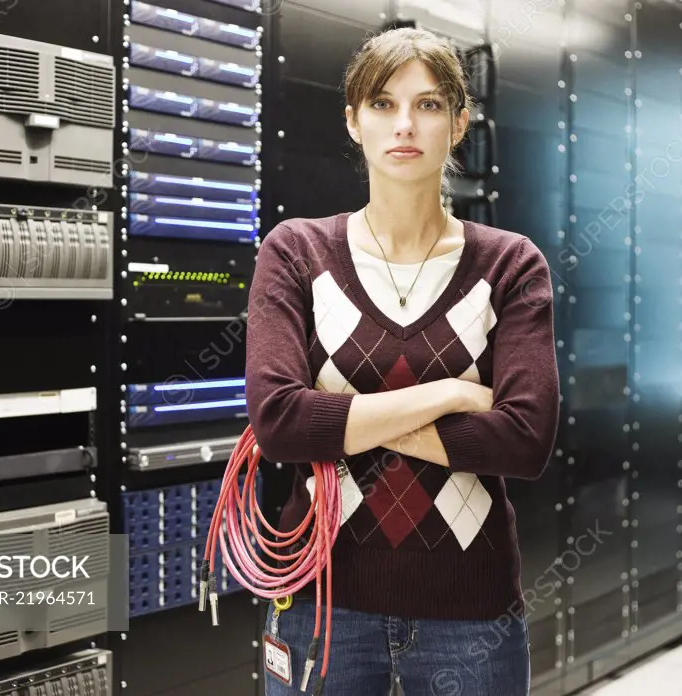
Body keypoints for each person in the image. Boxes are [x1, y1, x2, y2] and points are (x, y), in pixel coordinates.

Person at [244, 26, 560, 696]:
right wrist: (450, 392)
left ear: (460, 122)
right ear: (354, 122)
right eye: (383, 104)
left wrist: (337, 419)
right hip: (320, 605)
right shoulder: (297, 253)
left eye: (429, 104)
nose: (405, 124)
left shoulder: (510, 265)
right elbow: (279, 423)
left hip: (471, 616)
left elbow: (525, 441)